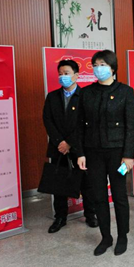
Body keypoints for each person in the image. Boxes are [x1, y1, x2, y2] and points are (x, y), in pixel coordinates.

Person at [77, 50, 134, 257]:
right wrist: (80, 153)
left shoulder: (125, 92)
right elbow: (79, 126)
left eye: (102, 64)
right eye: (95, 65)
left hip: (117, 153)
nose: (98, 68)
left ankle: (122, 236)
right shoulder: (86, 92)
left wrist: (128, 156)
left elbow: (131, 126)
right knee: (99, 196)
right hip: (93, 152)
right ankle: (106, 237)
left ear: (112, 68)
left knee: (119, 196)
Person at [42, 60, 97, 233]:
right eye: (60, 73)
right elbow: (47, 120)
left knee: (87, 183)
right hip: (58, 147)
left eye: (66, 73)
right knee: (59, 183)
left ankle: (90, 214)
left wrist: (70, 143)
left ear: (76, 75)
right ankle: (60, 217)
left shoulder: (85, 96)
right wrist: (60, 142)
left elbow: (85, 123)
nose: (62, 76)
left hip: (80, 147)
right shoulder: (52, 97)